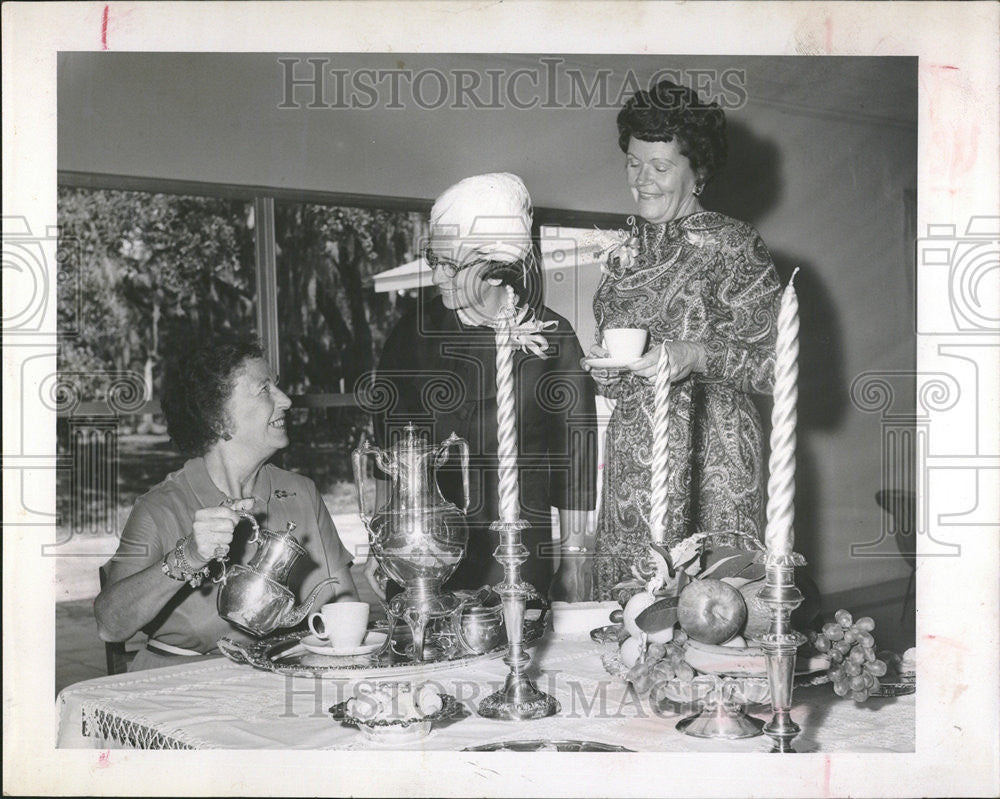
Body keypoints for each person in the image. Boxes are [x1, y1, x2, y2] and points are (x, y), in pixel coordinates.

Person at [585, 80, 781, 600]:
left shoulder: (734, 245)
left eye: (660, 167)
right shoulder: (623, 252)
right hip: (631, 463)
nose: (641, 180)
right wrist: (609, 372)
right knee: (629, 619)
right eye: (633, 162)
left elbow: (778, 366)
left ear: (698, 173)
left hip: (711, 462)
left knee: (711, 616)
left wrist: (694, 354)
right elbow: (621, 374)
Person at [367, 173, 597, 603]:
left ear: (495, 271)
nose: (436, 276)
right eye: (433, 259)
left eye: (450, 265)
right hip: (426, 547)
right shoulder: (412, 336)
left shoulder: (551, 339)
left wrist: (576, 562)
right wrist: (384, 538)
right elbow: (389, 448)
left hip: (517, 547)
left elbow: (577, 466)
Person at [95, 334, 358, 671]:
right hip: (179, 689)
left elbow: (341, 602)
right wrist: (188, 556)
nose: (287, 401)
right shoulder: (160, 508)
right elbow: (109, 624)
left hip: (277, 678)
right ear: (219, 420)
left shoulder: (301, 492)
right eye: (264, 389)